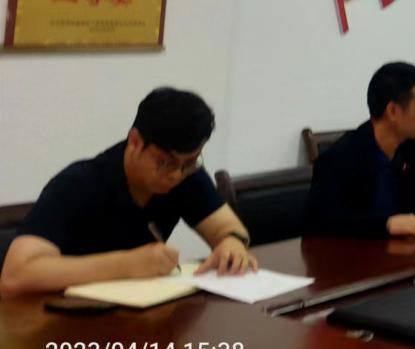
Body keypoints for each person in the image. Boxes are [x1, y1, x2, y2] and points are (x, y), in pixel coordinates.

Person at [1, 88, 257, 298]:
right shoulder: (79, 183)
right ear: (135, 141)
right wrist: (126, 264)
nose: (176, 175)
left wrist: (231, 243)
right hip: (62, 321)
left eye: (190, 162)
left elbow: (227, 227)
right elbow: (16, 276)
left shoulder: (185, 176)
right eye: (165, 163)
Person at [304, 62, 415, 239]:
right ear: (393, 111)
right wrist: (386, 225)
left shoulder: (411, 148)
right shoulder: (341, 158)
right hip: (357, 257)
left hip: (406, 252)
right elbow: (319, 222)